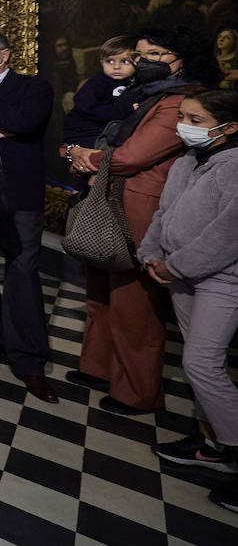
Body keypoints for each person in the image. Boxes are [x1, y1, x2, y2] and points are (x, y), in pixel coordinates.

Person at [68, 26, 219, 414]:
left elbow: (133, 156)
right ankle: (98, 367)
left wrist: (86, 156)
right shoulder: (146, 96)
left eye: (154, 54)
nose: (143, 62)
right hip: (112, 197)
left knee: (133, 301)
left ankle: (136, 391)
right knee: (101, 291)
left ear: (181, 59)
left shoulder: (180, 102)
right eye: (140, 54)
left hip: (140, 205)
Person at [138, 89, 238, 503]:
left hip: (222, 277)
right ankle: (211, 443)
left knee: (203, 364)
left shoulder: (233, 165)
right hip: (177, 272)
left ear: (229, 128)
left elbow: (227, 233)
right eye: (183, 117)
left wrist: (175, 265)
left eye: (195, 120)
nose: (185, 126)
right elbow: (164, 213)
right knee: (196, 360)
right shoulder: (186, 161)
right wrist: (151, 252)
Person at [0, 30, 59, 403]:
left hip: (19, 195)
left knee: (22, 272)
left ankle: (30, 360)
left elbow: (23, 123)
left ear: (4, 55)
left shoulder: (34, 88)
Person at [61, 35, 136, 151]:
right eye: (109, 61)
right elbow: (85, 106)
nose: (116, 67)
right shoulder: (98, 81)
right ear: (102, 62)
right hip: (85, 133)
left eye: (125, 61)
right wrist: (124, 111)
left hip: (105, 131)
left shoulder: (134, 82)